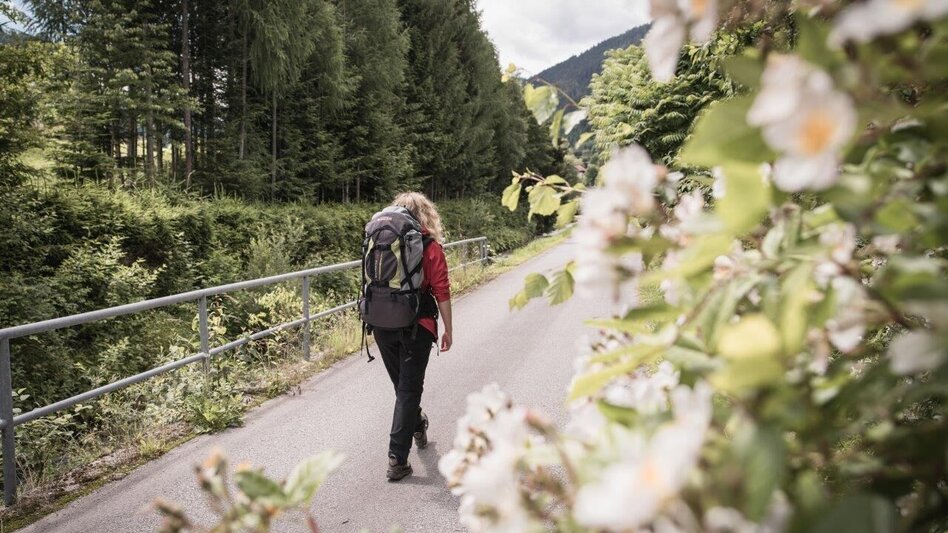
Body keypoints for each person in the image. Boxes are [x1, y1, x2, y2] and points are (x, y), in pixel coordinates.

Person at [374, 192, 453, 481]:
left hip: (380, 323)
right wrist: (448, 328)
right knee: (408, 390)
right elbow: (441, 289)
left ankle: (417, 423)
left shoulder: (382, 242)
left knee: (402, 387)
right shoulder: (429, 246)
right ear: (426, 215)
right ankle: (397, 458)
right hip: (415, 325)